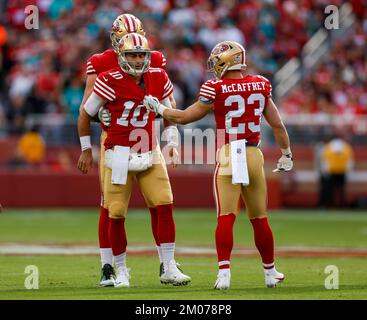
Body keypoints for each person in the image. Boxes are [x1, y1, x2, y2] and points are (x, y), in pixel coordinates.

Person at [142, 40, 293, 289]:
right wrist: (286, 154)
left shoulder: (216, 87)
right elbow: (277, 125)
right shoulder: (261, 84)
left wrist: (159, 108)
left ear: (227, 61)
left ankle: (224, 275)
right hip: (254, 155)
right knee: (259, 218)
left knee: (226, 216)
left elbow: (184, 117)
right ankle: (270, 273)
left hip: (228, 154)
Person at [77, 32, 191, 288]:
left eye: (142, 55)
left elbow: (169, 110)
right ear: (121, 56)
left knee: (164, 203)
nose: (139, 60)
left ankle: (170, 266)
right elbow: (85, 114)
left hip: (150, 149)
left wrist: (172, 142)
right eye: (133, 55)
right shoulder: (108, 79)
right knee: (116, 213)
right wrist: (87, 146)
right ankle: (121, 270)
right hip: (118, 153)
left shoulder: (158, 75)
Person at [321, 135, 354, 208]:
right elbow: (350, 161)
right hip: (342, 170)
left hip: (331, 170)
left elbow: (324, 160)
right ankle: (342, 204)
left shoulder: (328, 147)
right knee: (341, 189)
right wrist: (349, 171)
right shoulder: (346, 147)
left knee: (330, 189)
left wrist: (325, 171)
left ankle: (329, 204)